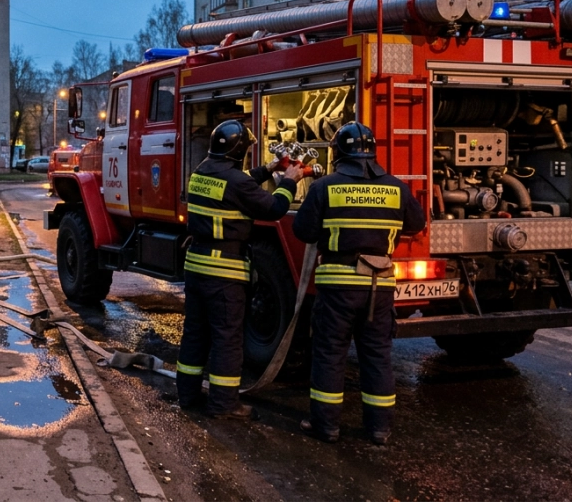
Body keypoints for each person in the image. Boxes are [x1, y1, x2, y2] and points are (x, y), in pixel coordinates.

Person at [292, 121, 425, 445]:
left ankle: (327, 427)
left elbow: (304, 232)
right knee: (378, 354)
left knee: (330, 353)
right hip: (379, 287)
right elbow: (417, 223)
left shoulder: (325, 187)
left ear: (338, 153)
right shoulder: (396, 188)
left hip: (337, 288)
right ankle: (379, 429)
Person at [177, 120, 303, 418]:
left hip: (196, 266)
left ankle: (187, 395)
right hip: (225, 273)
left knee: (195, 334)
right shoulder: (236, 182)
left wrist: (269, 168)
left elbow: (238, 183)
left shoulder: (200, 173)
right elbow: (274, 208)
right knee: (227, 338)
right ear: (238, 152)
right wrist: (289, 180)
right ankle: (223, 405)